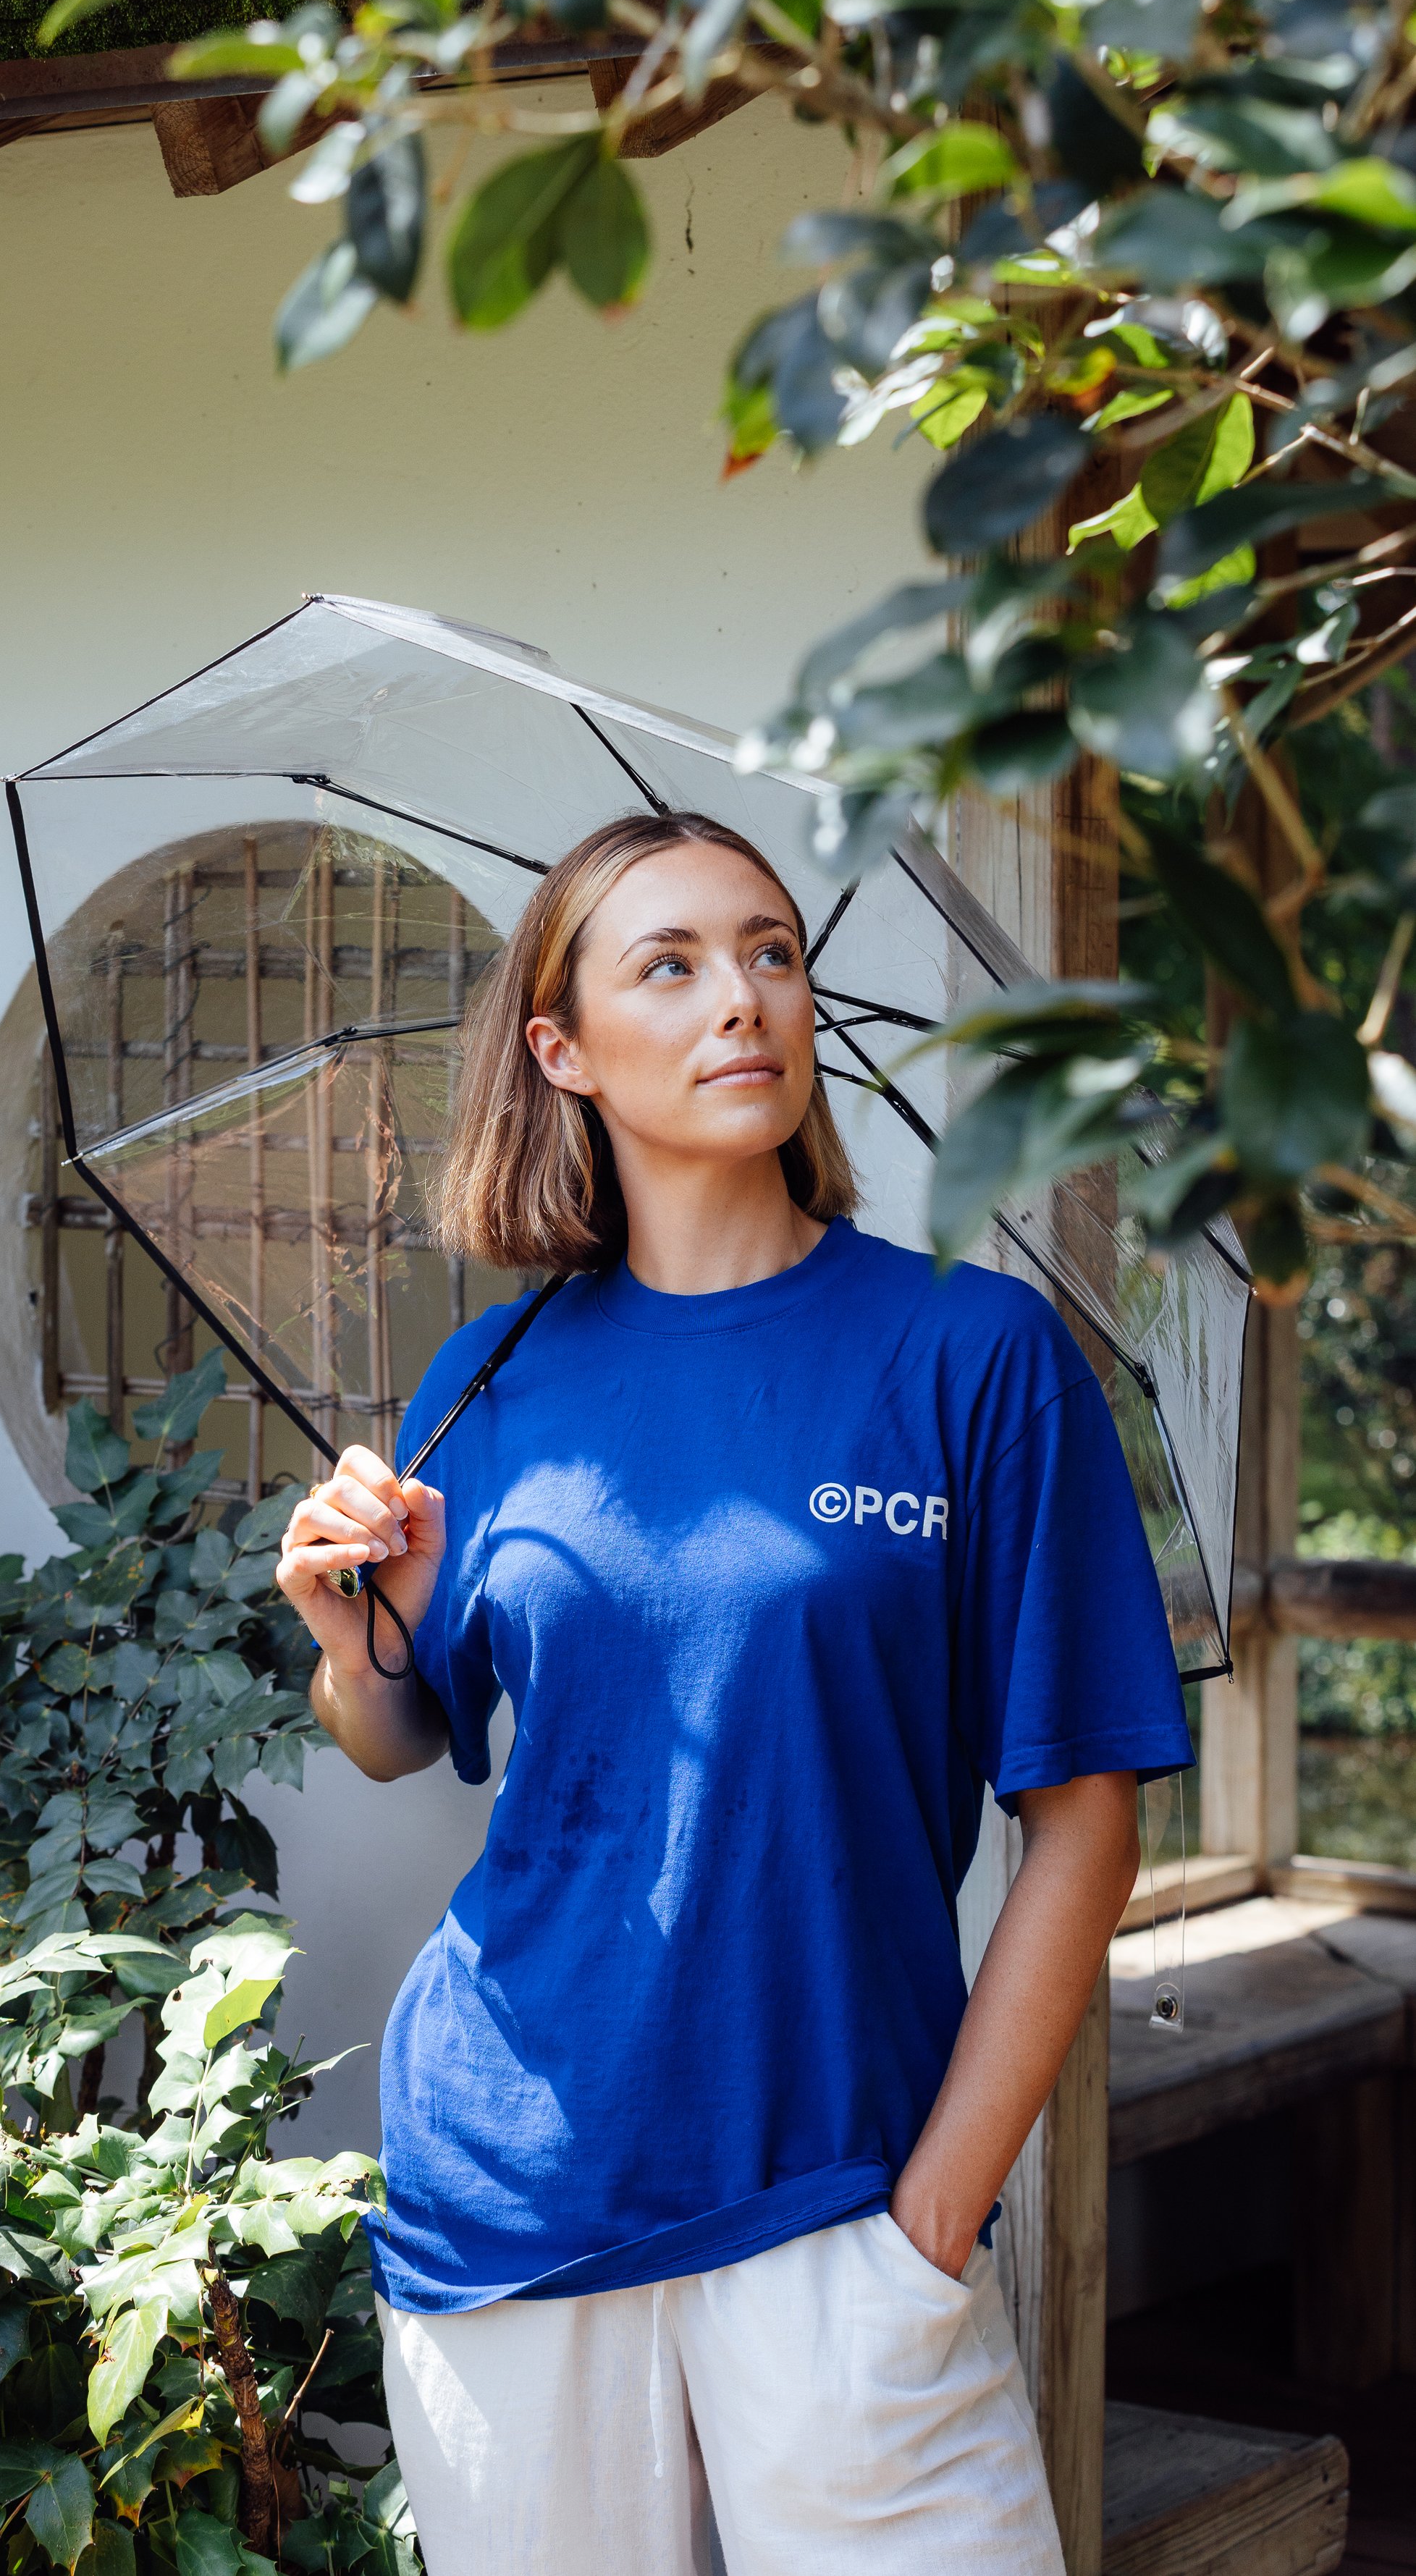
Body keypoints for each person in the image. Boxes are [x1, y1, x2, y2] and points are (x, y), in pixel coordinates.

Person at [275, 811, 1193, 2576]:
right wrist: (352, 1631)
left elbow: (1085, 1815)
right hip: (518, 2196)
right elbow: (403, 1740)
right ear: (562, 1051)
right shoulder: (498, 1372)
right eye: (670, 965)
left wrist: (930, 2217)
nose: (742, 1001)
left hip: (838, 2198)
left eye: (770, 952)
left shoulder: (964, 1353)